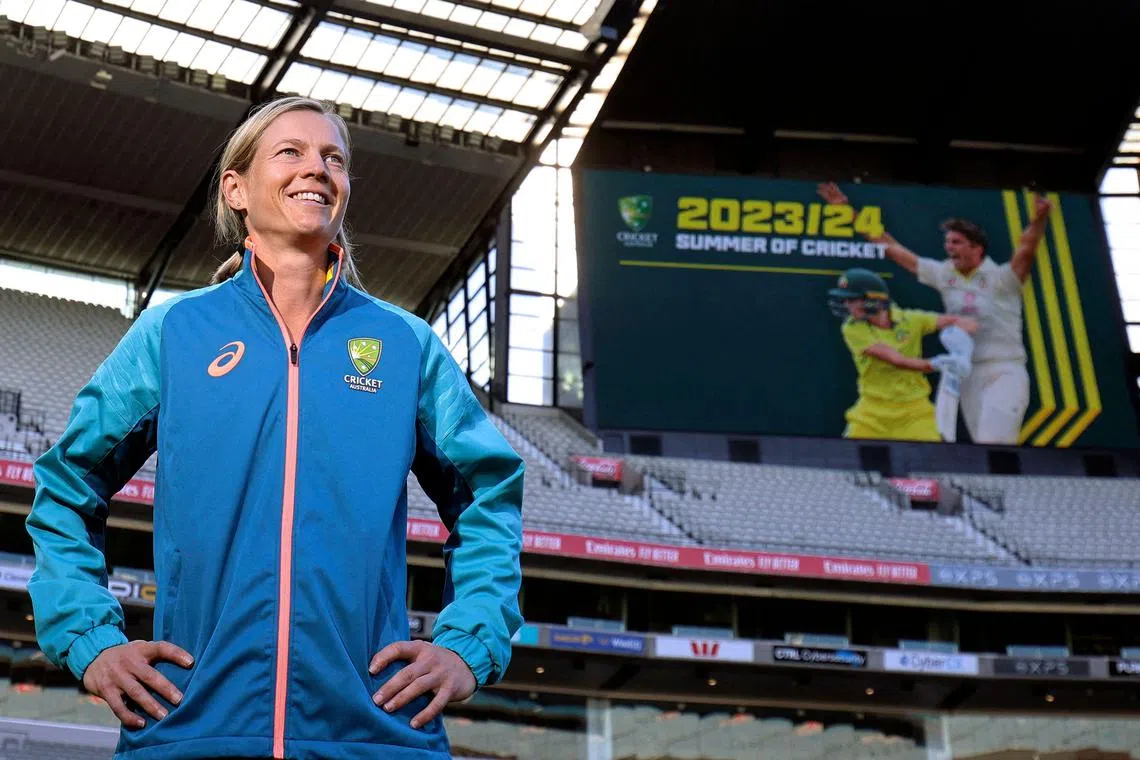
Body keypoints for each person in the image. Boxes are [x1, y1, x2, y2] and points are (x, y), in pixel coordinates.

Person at [24, 96, 525, 760]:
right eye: (290, 152)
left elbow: (490, 493)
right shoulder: (173, 334)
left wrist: (469, 643)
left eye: (334, 158)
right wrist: (91, 640)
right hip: (191, 729)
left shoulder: (405, 345)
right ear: (235, 188)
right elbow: (65, 484)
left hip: (373, 735)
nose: (316, 168)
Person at [817, 182, 1052, 445]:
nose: (949, 248)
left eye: (957, 242)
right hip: (965, 372)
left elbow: (1026, 248)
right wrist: (848, 212)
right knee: (981, 450)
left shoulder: (1002, 279)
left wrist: (1039, 220)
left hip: (1003, 368)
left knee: (995, 442)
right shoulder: (943, 274)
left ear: (977, 249)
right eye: (947, 242)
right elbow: (889, 246)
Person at [829, 268, 978, 442]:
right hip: (871, 413)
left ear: (873, 299)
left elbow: (967, 323)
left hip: (914, 413)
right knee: (848, 463)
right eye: (846, 300)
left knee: (932, 462)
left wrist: (962, 348)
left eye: (852, 299)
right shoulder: (852, 328)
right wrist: (938, 364)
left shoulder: (911, 320)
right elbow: (896, 360)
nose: (847, 305)